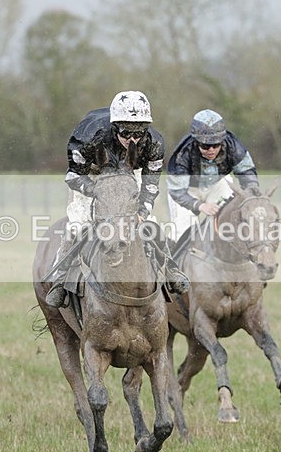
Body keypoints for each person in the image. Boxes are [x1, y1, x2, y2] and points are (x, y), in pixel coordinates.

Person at [44, 90, 189, 308]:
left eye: (139, 134)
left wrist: (142, 211)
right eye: (126, 132)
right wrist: (100, 191)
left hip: (130, 176)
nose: (133, 139)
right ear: (115, 127)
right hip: (91, 176)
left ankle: (170, 269)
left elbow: (150, 184)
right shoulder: (89, 136)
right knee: (78, 224)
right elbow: (73, 176)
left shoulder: (155, 144)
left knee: (151, 225)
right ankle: (60, 279)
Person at [166, 109, 259, 237]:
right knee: (181, 231)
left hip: (217, 184)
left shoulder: (233, 146)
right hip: (187, 190)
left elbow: (247, 173)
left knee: (230, 223)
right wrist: (199, 205)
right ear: (196, 141)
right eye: (205, 145)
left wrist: (252, 193)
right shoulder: (182, 154)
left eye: (216, 144)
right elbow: (177, 191)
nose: (211, 150)